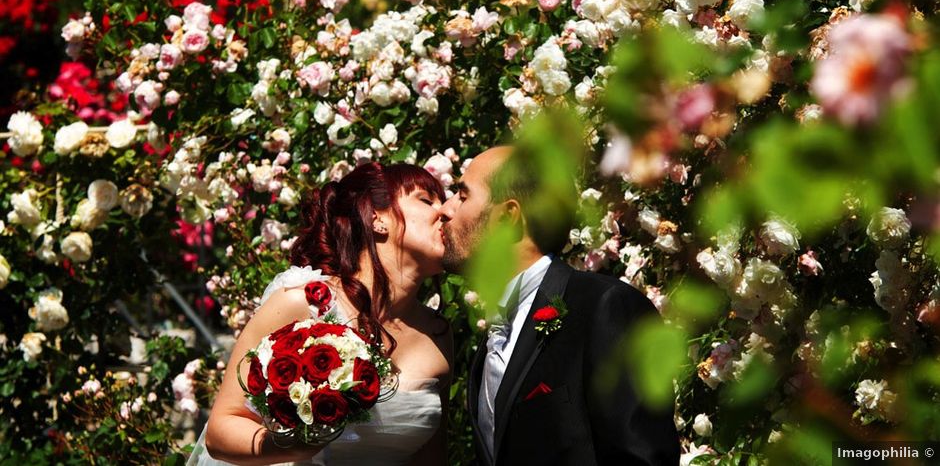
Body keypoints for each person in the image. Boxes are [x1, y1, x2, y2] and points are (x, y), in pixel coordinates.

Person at [190, 162, 453, 466]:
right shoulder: (304, 305)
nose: (445, 211)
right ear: (377, 217)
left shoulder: (438, 334)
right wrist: (293, 448)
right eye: (426, 200)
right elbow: (221, 430)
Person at [439, 146, 680, 466]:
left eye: (462, 195)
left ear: (508, 217)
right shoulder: (493, 337)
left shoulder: (605, 308)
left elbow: (643, 457)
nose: (445, 209)